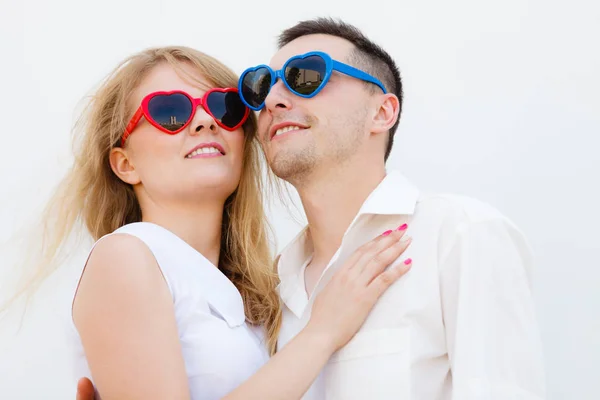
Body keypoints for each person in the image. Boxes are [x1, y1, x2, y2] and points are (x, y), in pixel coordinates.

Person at [25, 45, 413, 400]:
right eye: (170, 112)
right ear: (126, 164)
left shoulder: (260, 294)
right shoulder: (126, 256)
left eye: (225, 107)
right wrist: (322, 333)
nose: (205, 120)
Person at [235, 17, 546, 399]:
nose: (272, 100)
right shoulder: (274, 284)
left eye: (305, 76)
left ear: (382, 112)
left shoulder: (458, 235)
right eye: (262, 86)